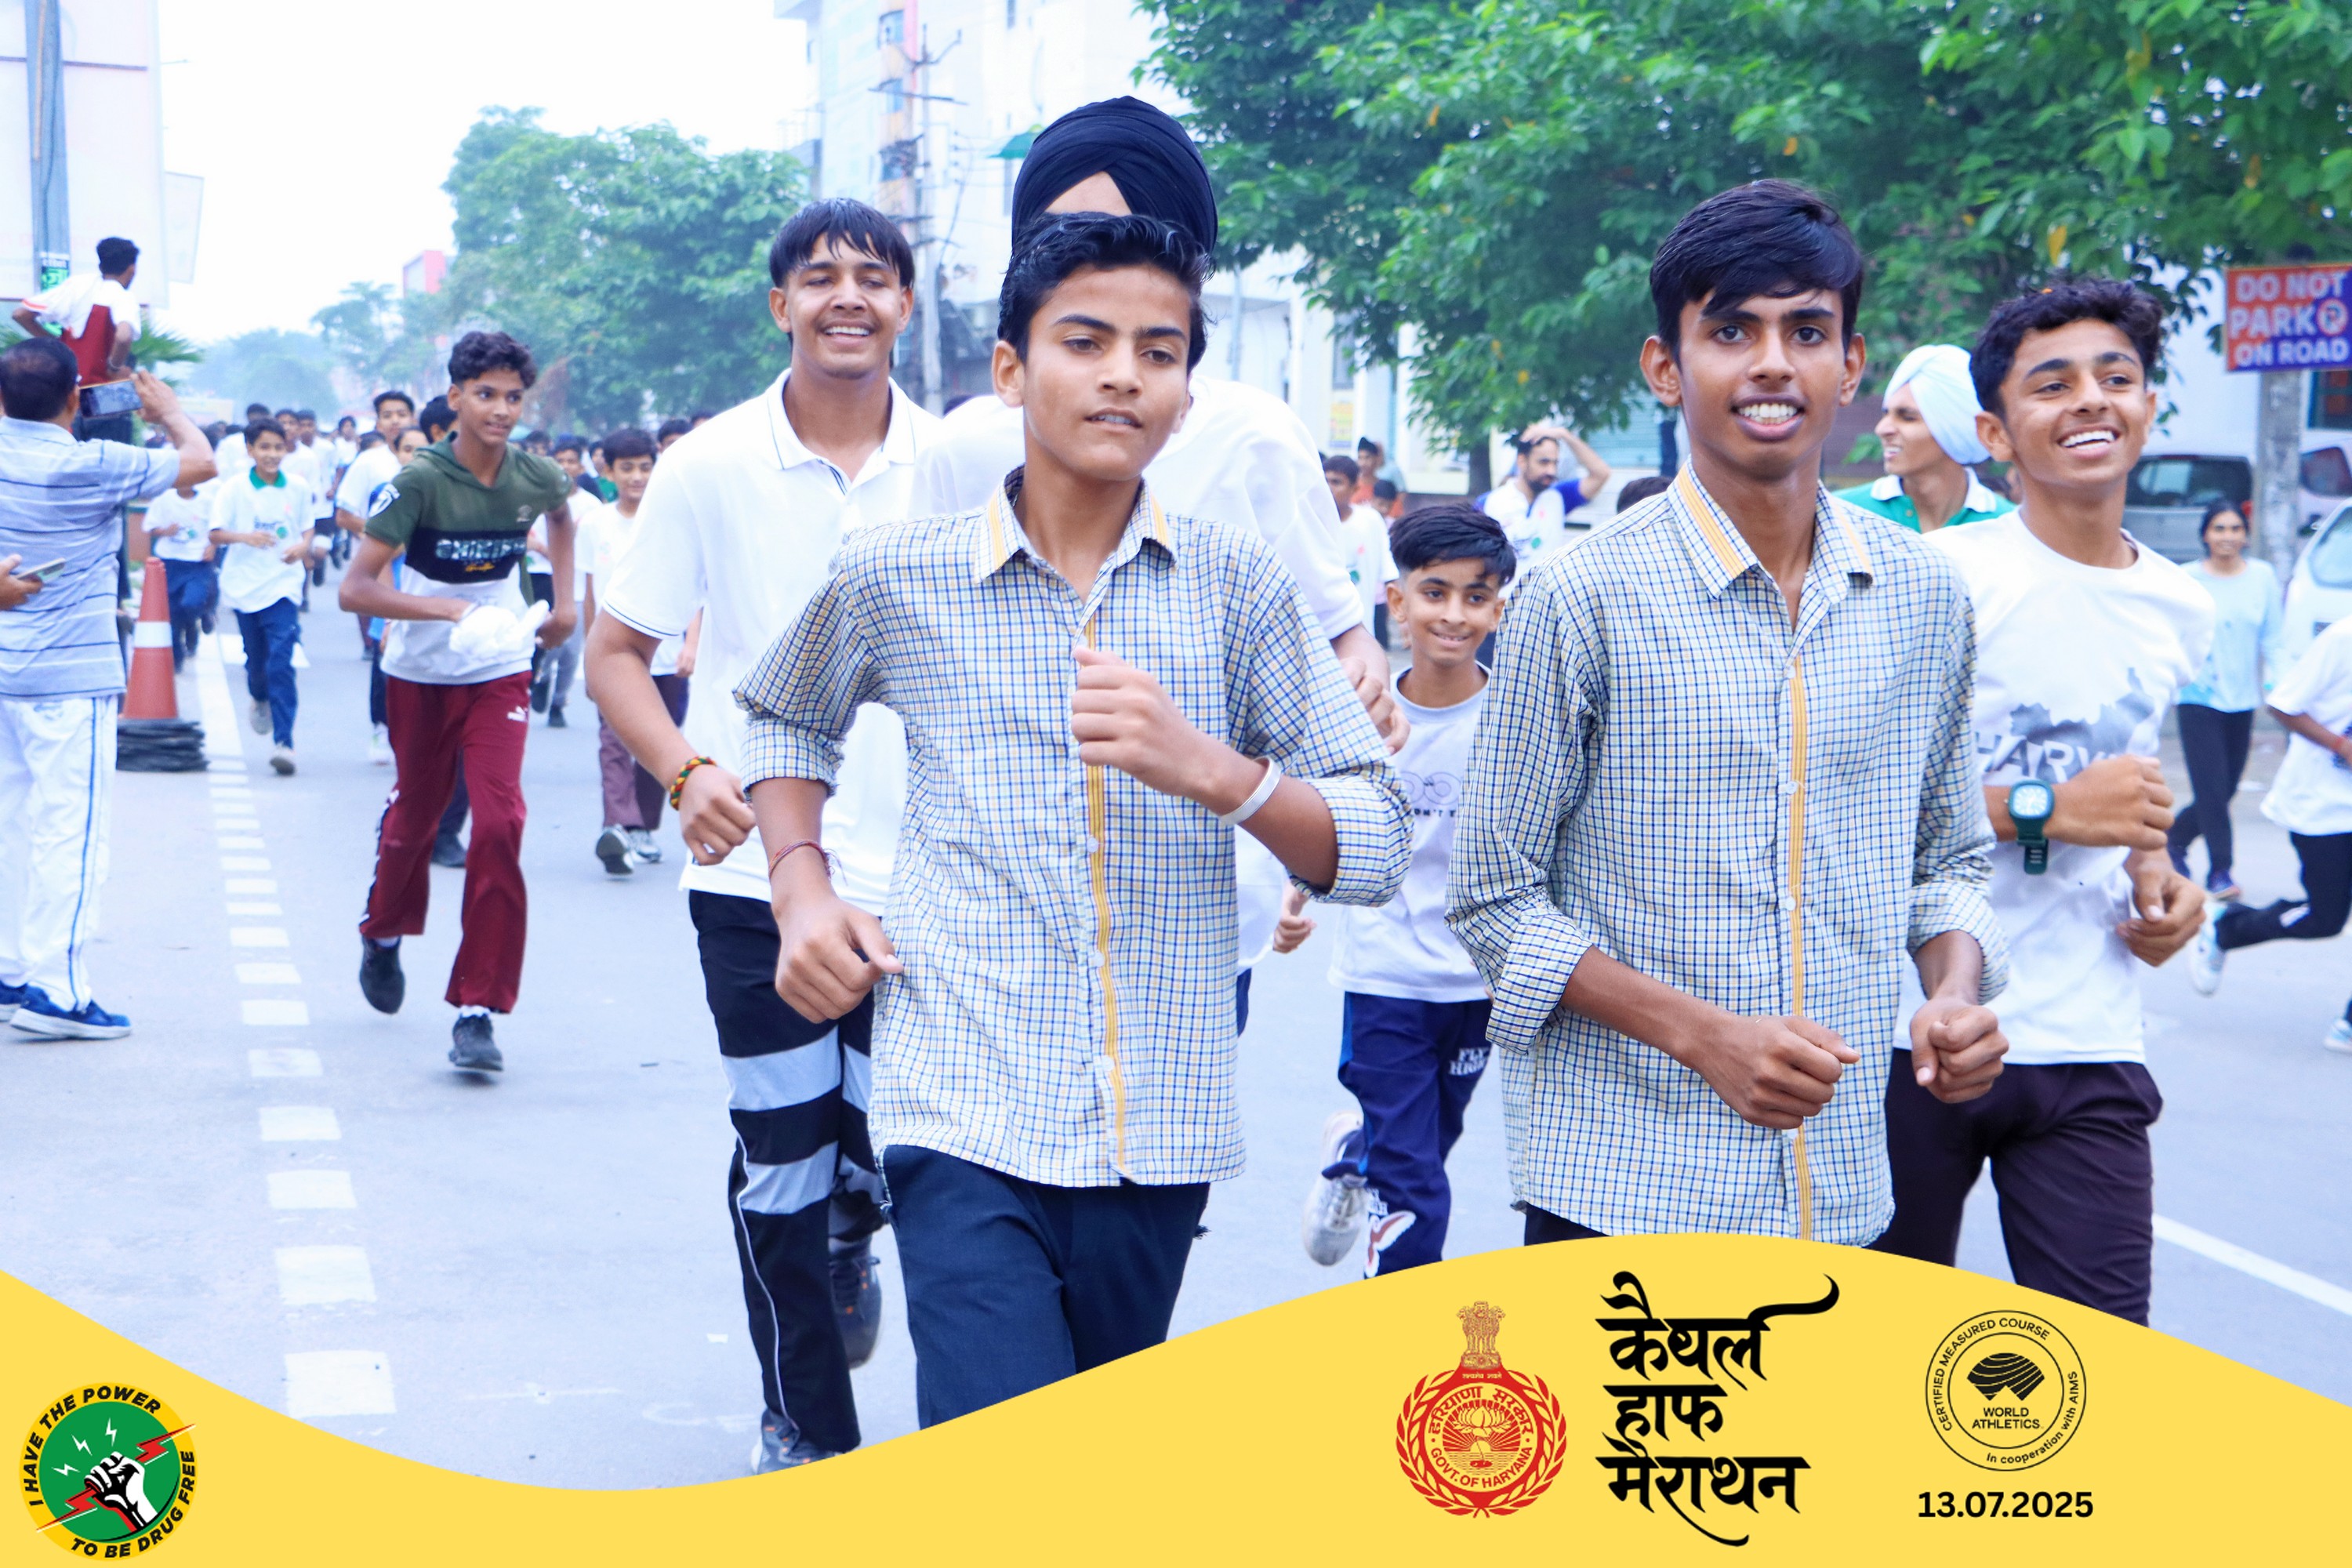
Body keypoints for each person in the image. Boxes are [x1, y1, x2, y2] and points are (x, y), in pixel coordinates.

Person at [737, 211, 1409, 1428]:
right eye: (1085, 342)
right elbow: (785, 716)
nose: (1123, 376)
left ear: (1185, 398)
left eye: (1160, 352)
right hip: (958, 1100)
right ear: (1011, 371)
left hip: (1158, 1123)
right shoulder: (899, 575)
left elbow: (1373, 840)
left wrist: (1218, 773)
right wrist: (801, 888)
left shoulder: (1239, 588)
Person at [1446, 180, 2011, 1251]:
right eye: (1731, 331)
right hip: (1624, 1191)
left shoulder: (1924, 595)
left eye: (1808, 331)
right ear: (1667, 366)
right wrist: (1702, 1036)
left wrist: (1953, 991)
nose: (1772, 363)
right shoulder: (1579, 598)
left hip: (1841, 1187)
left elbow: (1947, 861)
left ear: (1850, 363)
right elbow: (1493, 897)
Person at [905, 94, 1402, 1036]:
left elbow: (1339, 636)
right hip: (990, 908)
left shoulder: (1256, 439)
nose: (1098, 263)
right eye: (1062, 238)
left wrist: (1362, 676)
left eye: (1132, 235)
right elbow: (888, 667)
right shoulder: (966, 449)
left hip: (1191, 914)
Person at [586, 198, 938, 1472]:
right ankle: (806, 1428)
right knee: (781, 1160)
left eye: (874, 277)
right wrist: (685, 773)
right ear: (781, 305)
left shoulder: (962, 463)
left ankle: (857, 1215)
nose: (849, 296)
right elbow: (615, 653)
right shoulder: (709, 465)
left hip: (930, 882)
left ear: (905, 305)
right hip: (754, 880)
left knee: (912, 1159)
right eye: (821, 277)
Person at [1875, 280, 2211, 1326]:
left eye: (2117, 377)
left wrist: (2161, 882)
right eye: (2053, 384)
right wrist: (2048, 808)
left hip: (2089, 1039)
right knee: (1871, 1358)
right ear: (1994, 432)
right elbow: (1854, 801)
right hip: (1909, 1032)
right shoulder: (1937, 579)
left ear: (2147, 406)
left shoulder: (2180, 605)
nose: (2091, 400)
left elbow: (2126, 785)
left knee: (2105, 1367)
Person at [1281, 502, 1512, 1277]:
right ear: (1397, 601)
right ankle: (1402, 1322)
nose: (1454, 614)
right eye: (1434, 592)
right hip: (1384, 978)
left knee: (1424, 1146)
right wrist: (1295, 893)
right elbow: (1321, 813)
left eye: (1475, 597)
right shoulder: (1361, 714)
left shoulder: (1517, 718)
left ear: (1497, 609)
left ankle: (1354, 1152)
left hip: (1478, 982)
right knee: (1417, 1188)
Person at [339, 331, 576, 1076]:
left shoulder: (532, 474)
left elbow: (563, 515)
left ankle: (479, 1010)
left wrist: (565, 603)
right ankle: (382, 932)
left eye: (513, 397)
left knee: (500, 822)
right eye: (486, 395)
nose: (501, 410)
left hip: (500, 666)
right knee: (415, 819)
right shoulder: (419, 482)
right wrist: (444, 610)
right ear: (455, 398)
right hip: (419, 673)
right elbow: (356, 588)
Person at [0, 347, 213, 1040]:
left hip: (3, 671)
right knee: (69, 832)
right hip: (70, 678)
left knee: (10, 826)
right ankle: (56, 992)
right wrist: (169, 410)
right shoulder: (93, 464)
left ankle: (10, 971)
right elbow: (200, 462)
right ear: (74, 398)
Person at [2188, 615, 2352, 1047]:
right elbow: (2283, 704)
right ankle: (2227, 926)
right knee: (2324, 919)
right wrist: (2341, 746)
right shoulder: (2344, 638)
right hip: (2323, 806)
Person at [578, 427, 688, 874]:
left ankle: (643, 825)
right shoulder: (594, 524)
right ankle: (619, 826)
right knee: (613, 741)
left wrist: (692, 645)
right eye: (627, 469)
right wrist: (590, 657)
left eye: (645, 467)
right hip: (614, 657)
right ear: (608, 472)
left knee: (658, 738)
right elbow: (590, 595)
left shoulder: (671, 520)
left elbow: (697, 592)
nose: (637, 477)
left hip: (668, 654)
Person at [2168, 501, 2282, 899]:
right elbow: (2171, 638)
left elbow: (2274, 639)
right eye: (2219, 529)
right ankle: (2221, 871)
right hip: (2196, 698)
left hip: (2242, 700)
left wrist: (2278, 688)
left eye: (2235, 528)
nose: (2228, 537)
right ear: (2205, 535)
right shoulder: (2186, 579)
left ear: (2246, 535)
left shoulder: (2263, 577)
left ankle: (2174, 840)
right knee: (2212, 790)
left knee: (2224, 790)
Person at [209, 419, 314, 775]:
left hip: (283, 584)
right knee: (257, 663)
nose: (272, 455)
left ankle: (285, 743)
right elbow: (215, 533)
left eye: (278, 447)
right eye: (264, 447)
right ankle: (259, 696)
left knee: (281, 661)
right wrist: (246, 538)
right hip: (245, 586)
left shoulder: (297, 487)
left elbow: (307, 527)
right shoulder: (234, 488)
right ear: (250, 450)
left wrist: (302, 546)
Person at [1834, 344, 2014, 533]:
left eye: (1907, 417)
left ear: (1954, 427)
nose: (1882, 429)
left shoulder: (2007, 527)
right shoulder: (1842, 514)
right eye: (1886, 414)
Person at [13, 238, 140, 437]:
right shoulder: (123, 297)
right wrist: (114, 367)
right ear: (132, 269)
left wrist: (58, 345)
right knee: (111, 455)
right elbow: (124, 336)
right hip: (109, 392)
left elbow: (21, 314)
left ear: (101, 266)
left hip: (71, 395)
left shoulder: (77, 288)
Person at [1478, 422, 1613, 568]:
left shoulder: (1559, 496)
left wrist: (1565, 435)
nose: (1551, 471)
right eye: (1544, 462)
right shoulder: (1489, 502)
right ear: (1522, 461)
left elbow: (1601, 474)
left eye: (1555, 463)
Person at [142, 470, 218, 669]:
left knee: (192, 602)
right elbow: (150, 527)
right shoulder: (164, 499)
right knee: (171, 613)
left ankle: (193, 623)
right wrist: (165, 531)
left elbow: (217, 529)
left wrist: (212, 547)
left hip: (197, 562)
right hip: (170, 561)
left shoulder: (208, 501)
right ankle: (177, 657)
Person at [1323, 453, 1396, 648]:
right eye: (1325, 481)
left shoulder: (1370, 521)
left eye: (1336, 482)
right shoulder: (1309, 523)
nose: (1328, 488)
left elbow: (1389, 571)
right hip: (1320, 631)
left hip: (1360, 628)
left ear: (1355, 487)